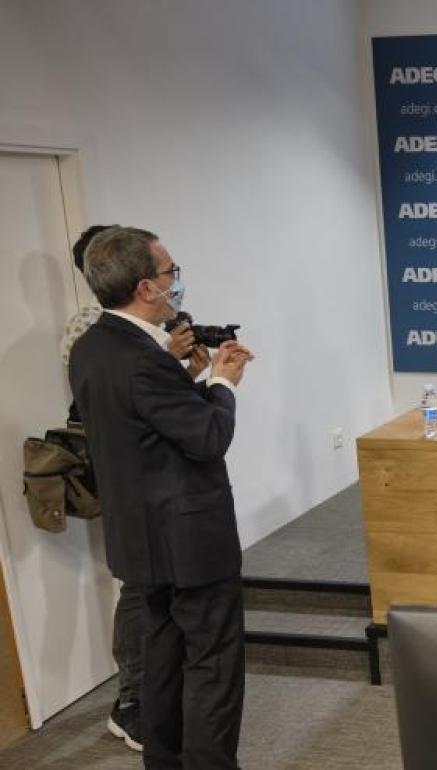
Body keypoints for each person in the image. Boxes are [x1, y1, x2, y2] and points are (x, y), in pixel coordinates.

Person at [68, 226, 254, 769]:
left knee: (165, 659)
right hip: (189, 544)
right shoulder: (140, 358)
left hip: (141, 540)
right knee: (213, 667)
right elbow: (207, 437)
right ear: (147, 287)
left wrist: (197, 386)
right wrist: (221, 383)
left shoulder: (93, 347)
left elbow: (145, 427)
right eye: (171, 272)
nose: (177, 282)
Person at [60, 225, 208, 752]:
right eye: (167, 273)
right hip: (130, 481)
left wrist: (170, 363)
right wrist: (200, 379)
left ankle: (159, 705)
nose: (174, 282)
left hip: (150, 480)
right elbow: (121, 399)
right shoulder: (93, 336)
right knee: (142, 596)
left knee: (156, 603)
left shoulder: (130, 339)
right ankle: (132, 701)